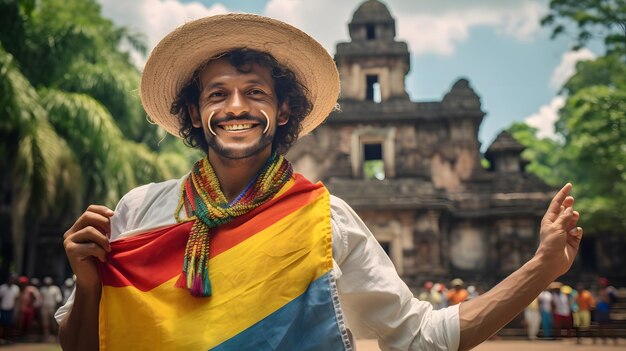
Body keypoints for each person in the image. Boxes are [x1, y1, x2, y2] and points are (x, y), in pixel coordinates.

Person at [55, 13, 583, 351]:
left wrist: (542, 268)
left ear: (284, 110)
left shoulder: (325, 219)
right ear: (193, 113)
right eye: (217, 94)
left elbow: (422, 338)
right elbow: (84, 345)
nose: (236, 106)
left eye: (254, 92)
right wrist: (89, 283)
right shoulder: (138, 211)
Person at [0, 275, 20, 343]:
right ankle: (1, 338)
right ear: (7, 279)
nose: (11, 281)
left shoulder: (16, 288)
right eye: (10, 279)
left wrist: (16, 309)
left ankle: (7, 339)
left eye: (13, 280)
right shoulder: (2, 288)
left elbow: (16, 299)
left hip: (11, 309)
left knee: (9, 324)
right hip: (2, 308)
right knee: (1, 324)